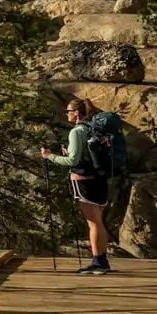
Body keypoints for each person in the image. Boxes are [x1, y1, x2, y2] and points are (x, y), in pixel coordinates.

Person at [41, 97, 111, 273]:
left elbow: (73, 160)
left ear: (76, 113)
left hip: (84, 180)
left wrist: (49, 156)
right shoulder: (92, 129)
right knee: (98, 221)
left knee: (93, 222)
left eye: (68, 111)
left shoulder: (77, 131)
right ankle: (102, 260)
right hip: (99, 178)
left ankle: (98, 263)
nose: (67, 115)